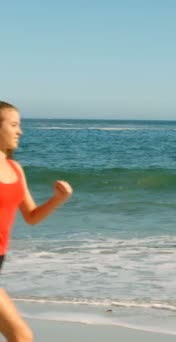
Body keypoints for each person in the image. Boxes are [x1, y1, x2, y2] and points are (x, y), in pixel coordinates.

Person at [0, 101, 73, 341]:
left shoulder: (15, 169)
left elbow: (31, 216)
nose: (19, 131)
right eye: (13, 124)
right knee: (21, 336)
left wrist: (58, 199)